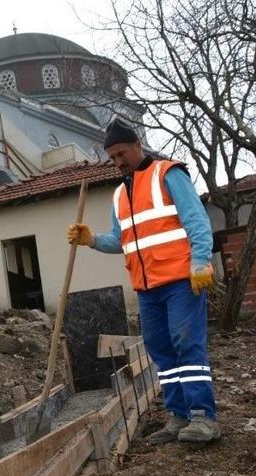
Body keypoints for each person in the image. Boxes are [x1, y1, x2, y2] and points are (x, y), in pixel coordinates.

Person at [67, 118, 220, 444]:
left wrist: (201, 261)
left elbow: (196, 220)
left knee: (187, 345)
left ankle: (203, 417)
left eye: (122, 153)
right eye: (112, 157)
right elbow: (121, 240)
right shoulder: (120, 194)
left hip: (181, 280)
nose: (118, 161)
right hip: (146, 287)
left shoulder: (168, 174)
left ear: (137, 146)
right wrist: (91, 239)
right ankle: (178, 416)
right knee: (162, 352)